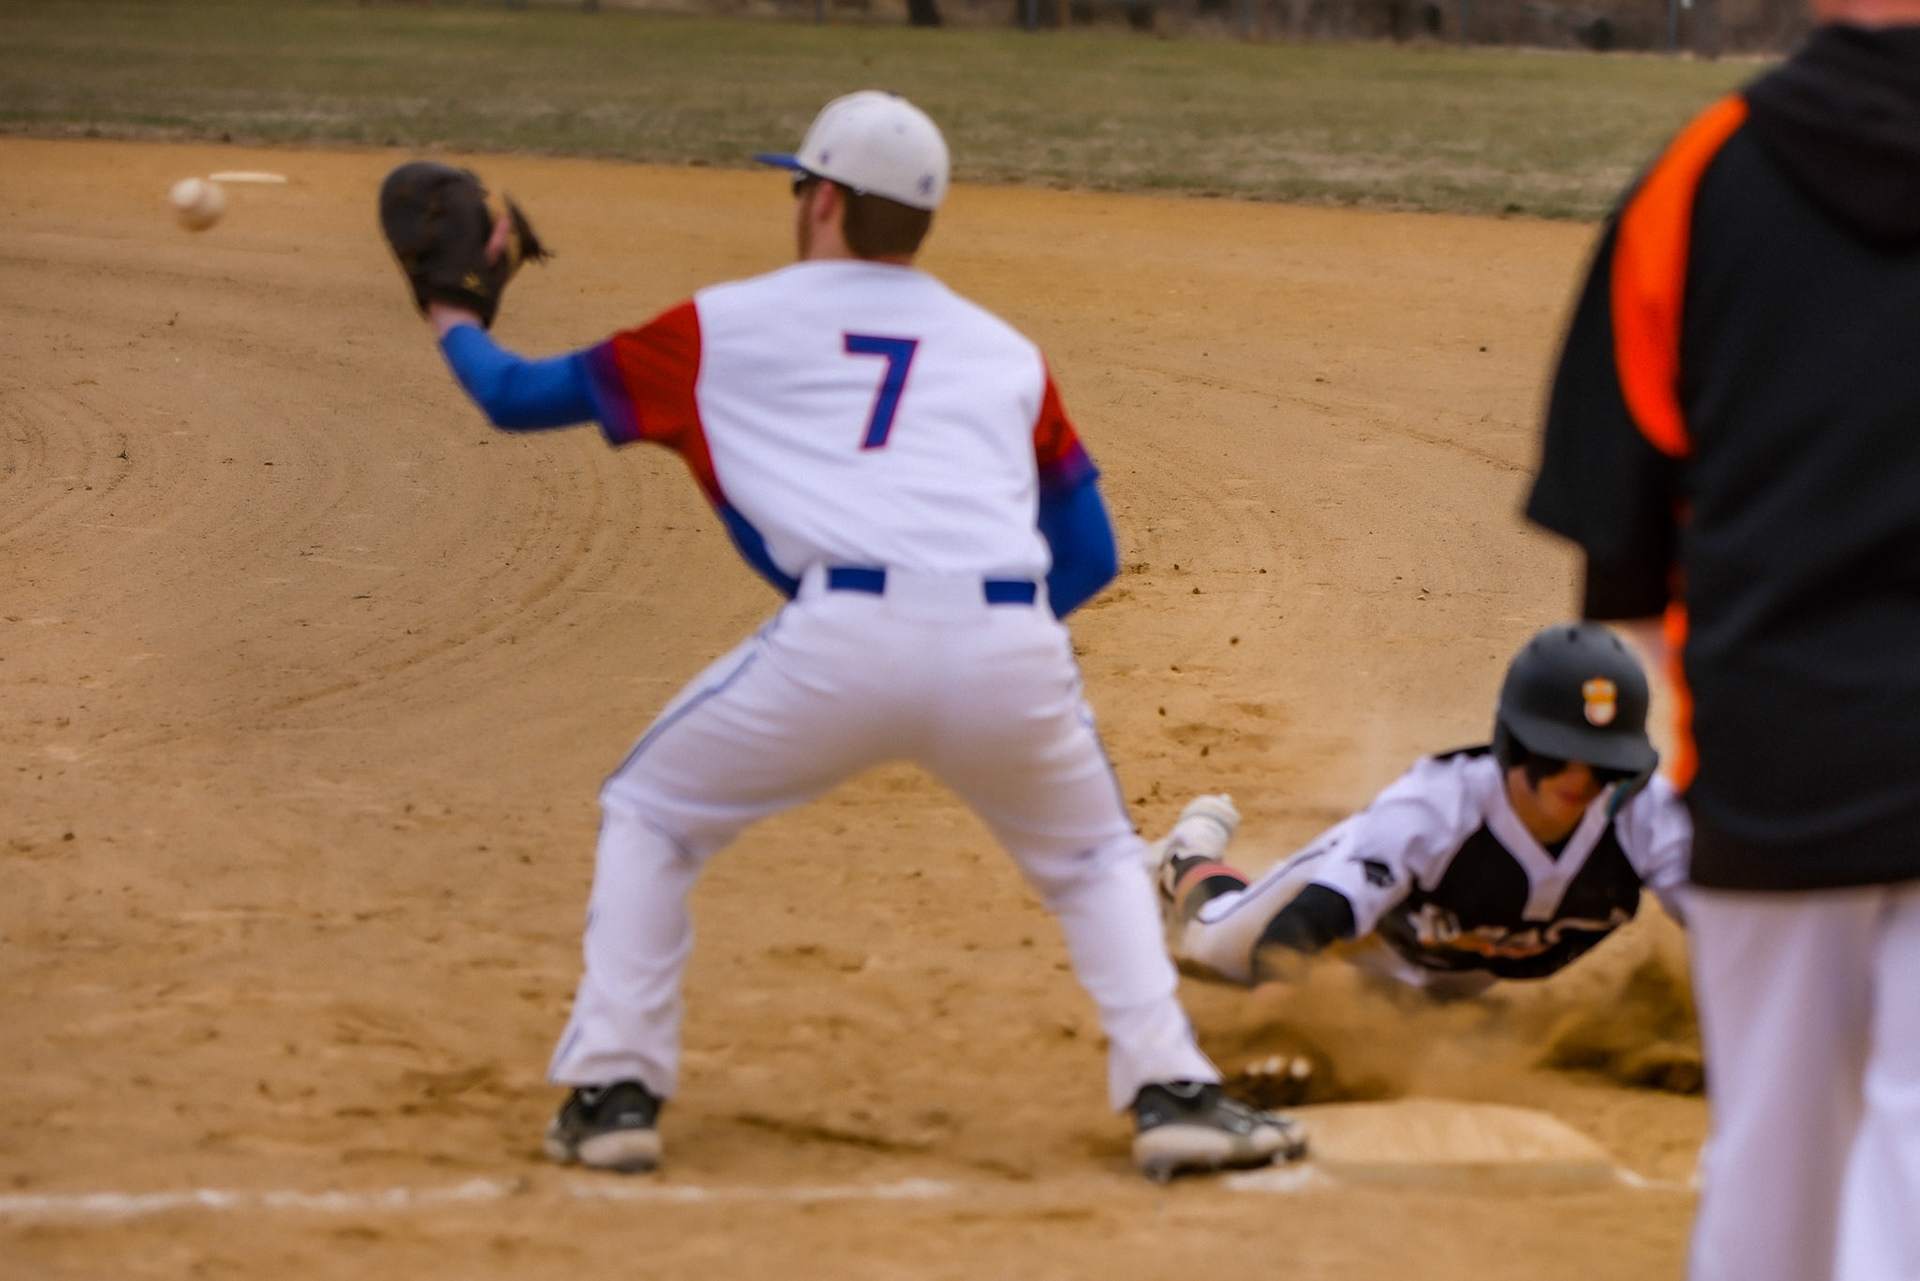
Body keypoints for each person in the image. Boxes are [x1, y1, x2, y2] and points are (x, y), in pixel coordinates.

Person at [404, 91, 1303, 1183]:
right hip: (1009, 642)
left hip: (839, 638)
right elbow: (1091, 554)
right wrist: (973, 649)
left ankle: (613, 1094)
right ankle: (1177, 1094)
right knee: (1095, 861)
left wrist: (452, 309)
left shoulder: (716, 326)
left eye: (799, 185)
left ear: (824, 200)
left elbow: (513, 395)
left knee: (651, 813)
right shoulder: (1005, 353)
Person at [1525, 9, 1920, 1277]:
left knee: (1771, 1165)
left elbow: (1623, 563)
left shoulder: (1701, 179)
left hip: (1772, 751)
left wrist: (1705, 754)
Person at [1156, 624, 1689, 1001]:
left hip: (1446, 978)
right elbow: (1305, 924)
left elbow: (1731, 927)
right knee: (1210, 943)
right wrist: (1271, 1030)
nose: (1579, 779)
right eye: (1556, 755)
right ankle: (1188, 854)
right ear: (1513, 742)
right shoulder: (1435, 807)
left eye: (1604, 764)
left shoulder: (1648, 821)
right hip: (1356, 936)